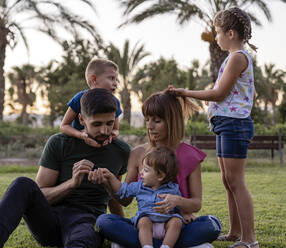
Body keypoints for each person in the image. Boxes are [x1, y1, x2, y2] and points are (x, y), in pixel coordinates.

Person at [0, 88, 130, 248]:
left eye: (110, 123)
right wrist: (72, 183)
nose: (105, 131)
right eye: (97, 124)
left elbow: (117, 200)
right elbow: (42, 194)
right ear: (82, 120)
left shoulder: (121, 151)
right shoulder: (59, 143)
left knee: (81, 240)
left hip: (86, 221)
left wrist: (109, 184)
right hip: (49, 220)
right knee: (22, 184)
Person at [169, 7, 259, 248]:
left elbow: (219, 93)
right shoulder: (233, 59)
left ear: (230, 33)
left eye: (217, 32)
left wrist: (185, 92)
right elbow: (224, 94)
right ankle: (234, 232)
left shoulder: (238, 57)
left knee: (236, 181)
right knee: (227, 181)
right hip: (224, 124)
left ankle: (249, 240)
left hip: (234, 125)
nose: (215, 37)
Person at [96, 90, 222, 248]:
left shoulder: (190, 156)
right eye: (147, 120)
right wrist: (108, 183)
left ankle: (144, 244)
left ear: (172, 121)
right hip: (145, 225)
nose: (149, 126)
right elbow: (125, 199)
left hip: (174, 225)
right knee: (104, 222)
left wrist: (177, 201)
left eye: (156, 121)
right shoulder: (137, 154)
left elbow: (196, 204)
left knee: (212, 224)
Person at [93, 147, 184, 248]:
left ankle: (166, 246)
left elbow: (179, 207)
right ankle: (147, 246)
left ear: (160, 176)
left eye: (145, 170)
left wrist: (186, 214)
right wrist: (111, 177)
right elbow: (122, 190)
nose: (141, 173)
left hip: (166, 225)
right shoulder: (139, 186)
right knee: (143, 220)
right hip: (145, 226)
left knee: (176, 221)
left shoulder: (173, 189)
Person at [60, 58, 122, 148]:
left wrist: (112, 135)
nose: (115, 83)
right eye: (111, 78)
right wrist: (80, 135)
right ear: (94, 79)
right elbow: (64, 126)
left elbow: (116, 129)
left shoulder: (114, 101)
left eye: (116, 79)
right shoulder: (79, 98)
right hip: (77, 146)